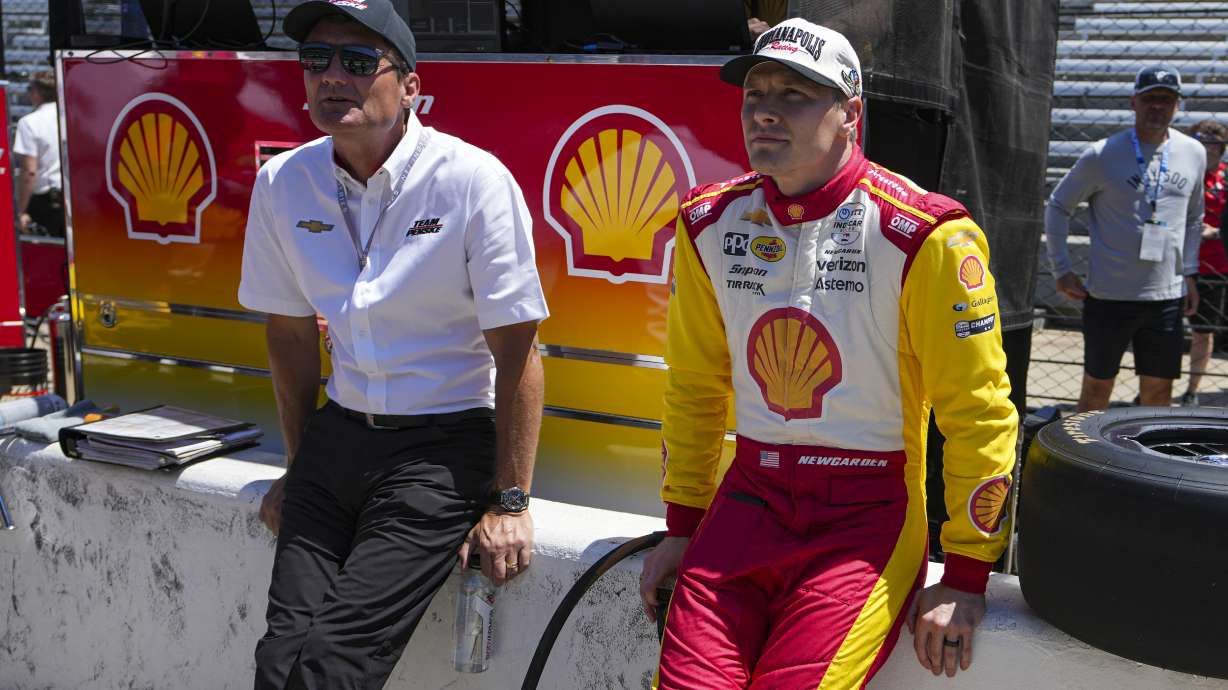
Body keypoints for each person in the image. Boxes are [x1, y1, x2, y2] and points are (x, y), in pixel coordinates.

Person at [638, 19, 1018, 688]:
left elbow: (978, 413)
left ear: (850, 114)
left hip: (867, 515)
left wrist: (964, 573)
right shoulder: (706, 223)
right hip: (749, 498)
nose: (765, 110)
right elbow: (695, 385)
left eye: (794, 95)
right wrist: (682, 522)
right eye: (756, 92)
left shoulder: (926, 234)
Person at [237, 2, 548, 687]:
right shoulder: (283, 183)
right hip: (336, 441)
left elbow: (519, 354)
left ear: (410, 85)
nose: (331, 77)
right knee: (279, 658)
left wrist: (511, 500)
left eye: (355, 60)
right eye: (315, 61)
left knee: (332, 665)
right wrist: (297, 463)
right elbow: (288, 335)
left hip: (439, 454)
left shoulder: (472, 181)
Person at [1045, 65, 1205, 412]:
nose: (1157, 106)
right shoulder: (1103, 153)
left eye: (1166, 99)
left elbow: (1195, 217)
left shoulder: (1194, 152)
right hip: (1109, 296)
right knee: (1095, 392)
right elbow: (1058, 205)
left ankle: (1151, 466)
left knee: (1159, 394)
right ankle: (1086, 463)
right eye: (1150, 98)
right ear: (1134, 102)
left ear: (1178, 106)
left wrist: (1189, 271)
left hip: (1166, 297)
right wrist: (1061, 269)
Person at [1182, 119, 1228, 406]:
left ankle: (1192, 390)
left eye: (1213, 142)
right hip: (1174, 264)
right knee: (1162, 332)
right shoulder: (1183, 174)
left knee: (1203, 332)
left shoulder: (1226, 178)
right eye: (1202, 141)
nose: (1207, 148)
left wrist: (1218, 232)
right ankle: (1154, 384)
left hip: (1215, 265)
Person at [12, 71, 63, 237]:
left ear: (37, 92)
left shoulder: (29, 122)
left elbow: (29, 171)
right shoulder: (72, 116)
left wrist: (21, 211)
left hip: (46, 201)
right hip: (74, 198)